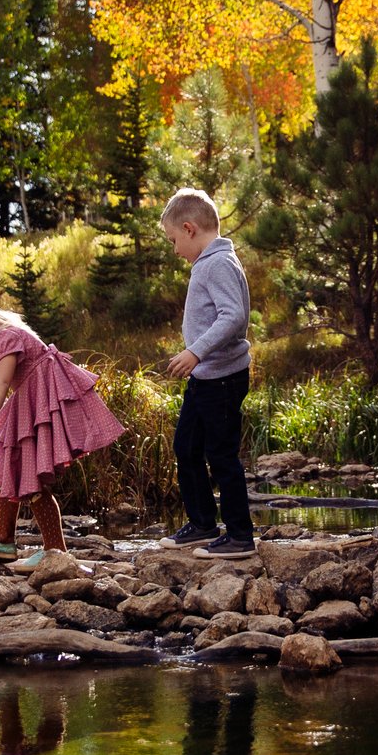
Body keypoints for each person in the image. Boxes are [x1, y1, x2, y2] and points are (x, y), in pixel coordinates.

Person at [0, 278, 126, 568]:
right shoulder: (7, 330)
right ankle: (3, 540)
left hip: (40, 402)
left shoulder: (1, 338)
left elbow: (2, 381)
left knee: (31, 480)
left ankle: (56, 550)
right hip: (32, 401)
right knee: (8, 469)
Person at [160, 187, 255, 556]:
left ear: (189, 229)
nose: (174, 250)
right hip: (206, 378)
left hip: (222, 379)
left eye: (173, 241)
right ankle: (202, 523)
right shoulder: (210, 261)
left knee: (221, 454)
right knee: (186, 447)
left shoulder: (217, 263)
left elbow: (234, 316)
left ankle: (240, 537)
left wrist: (195, 352)